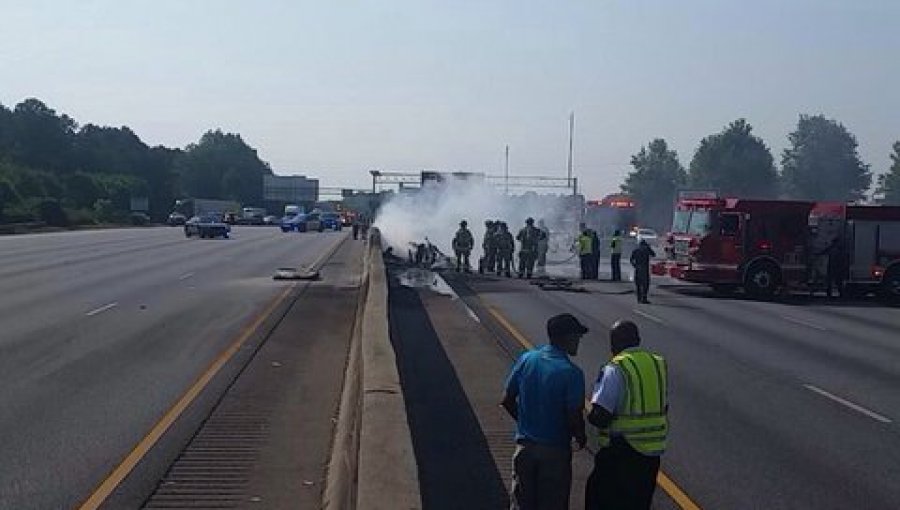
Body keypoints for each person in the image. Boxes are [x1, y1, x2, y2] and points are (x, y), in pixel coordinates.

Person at [502, 313, 588, 510]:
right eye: (576, 336)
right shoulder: (571, 373)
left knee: (521, 504)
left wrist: (525, 422)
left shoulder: (527, 359)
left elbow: (507, 400)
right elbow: (573, 416)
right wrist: (580, 436)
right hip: (555, 452)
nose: (578, 341)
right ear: (564, 337)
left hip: (524, 448)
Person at [585, 320, 668, 510]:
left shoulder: (616, 368)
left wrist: (589, 416)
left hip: (621, 452)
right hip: (651, 455)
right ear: (637, 340)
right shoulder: (657, 363)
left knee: (599, 499)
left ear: (613, 344)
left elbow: (601, 415)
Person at [630, 240, 657, 304]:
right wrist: (649, 248)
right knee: (645, 284)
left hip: (638, 269)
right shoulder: (646, 250)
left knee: (638, 284)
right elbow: (653, 254)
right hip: (644, 270)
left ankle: (639, 299)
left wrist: (635, 265)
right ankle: (644, 298)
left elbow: (631, 259)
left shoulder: (636, 250)